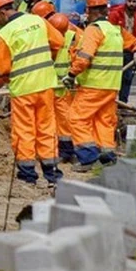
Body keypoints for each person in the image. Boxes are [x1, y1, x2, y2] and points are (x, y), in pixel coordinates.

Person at [0, 0, 64, 187]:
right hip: (46, 85)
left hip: (23, 89)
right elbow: (59, 42)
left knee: (24, 130)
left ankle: (28, 174)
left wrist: (0, 79)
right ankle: (52, 174)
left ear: (2, 13)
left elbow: (2, 68)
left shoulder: (4, 34)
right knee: (47, 128)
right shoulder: (38, 21)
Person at [62, 0, 136, 169]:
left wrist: (71, 74)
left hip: (94, 85)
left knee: (76, 118)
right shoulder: (115, 30)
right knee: (104, 121)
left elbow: (84, 58)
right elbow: (135, 42)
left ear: (90, 11)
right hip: (111, 86)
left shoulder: (94, 30)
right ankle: (107, 156)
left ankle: (88, 157)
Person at [49, 12, 82, 164]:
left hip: (63, 88)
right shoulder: (70, 36)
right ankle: (61, 150)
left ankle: (68, 151)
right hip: (55, 87)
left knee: (65, 121)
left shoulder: (71, 39)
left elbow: (78, 61)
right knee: (59, 121)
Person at [108, 0, 136, 102]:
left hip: (130, 50)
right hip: (117, 50)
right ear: (126, 1)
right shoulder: (116, 13)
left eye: (134, 1)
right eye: (129, 1)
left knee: (127, 78)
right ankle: (111, 101)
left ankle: (123, 102)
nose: (131, 4)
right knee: (115, 77)